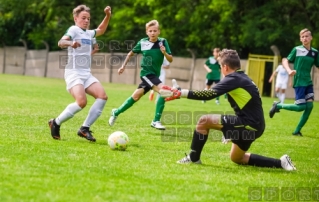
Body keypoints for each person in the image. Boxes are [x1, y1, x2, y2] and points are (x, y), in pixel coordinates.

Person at [165, 49, 296, 171]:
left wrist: (180, 93)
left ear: (225, 67)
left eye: (221, 66)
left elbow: (208, 94)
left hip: (249, 125)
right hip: (255, 125)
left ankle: (193, 158)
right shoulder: (242, 77)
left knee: (203, 121)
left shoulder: (233, 79)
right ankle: (281, 162)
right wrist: (230, 128)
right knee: (237, 158)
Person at [48, 5, 112, 142]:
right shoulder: (73, 29)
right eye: (83, 18)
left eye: (88, 18)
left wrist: (107, 16)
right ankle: (56, 122)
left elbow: (100, 30)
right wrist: (71, 43)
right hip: (73, 72)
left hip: (86, 74)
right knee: (81, 102)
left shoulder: (88, 33)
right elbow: (61, 42)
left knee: (102, 96)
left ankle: (84, 128)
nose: (86, 21)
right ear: (75, 18)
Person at [108, 19, 173, 130]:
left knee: (136, 97)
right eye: (150, 31)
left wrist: (164, 53)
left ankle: (116, 112)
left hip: (154, 75)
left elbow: (170, 59)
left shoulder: (163, 42)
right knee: (164, 92)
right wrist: (123, 66)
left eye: (155, 31)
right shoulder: (142, 42)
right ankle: (156, 121)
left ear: (159, 32)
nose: (152, 33)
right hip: (146, 74)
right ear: (147, 32)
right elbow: (130, 54)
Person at [269, 28, 319, 136]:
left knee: (310, 107)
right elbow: (285, 60)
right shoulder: (297, 49)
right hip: (299, 81)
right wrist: (289, 70)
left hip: (308, 82)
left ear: (311, 38)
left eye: (306, 36)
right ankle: (278, 106)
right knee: (300, 107)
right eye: (302, 37)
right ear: (300, 39)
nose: (305, 38)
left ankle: (297, 131)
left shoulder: (315, 53)